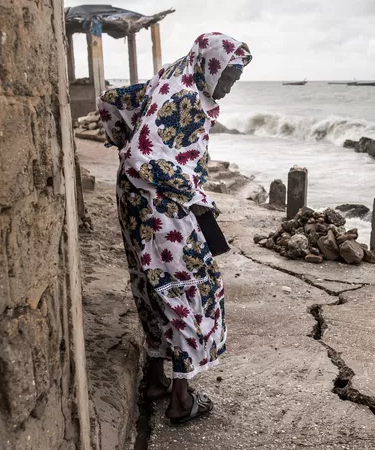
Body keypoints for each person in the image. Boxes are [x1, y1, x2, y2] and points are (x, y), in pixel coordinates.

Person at [97, 32, 252, 424]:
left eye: (236, 78)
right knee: (193, 289)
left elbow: (114, 100)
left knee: (154, 287)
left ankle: (155, 380)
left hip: (137, 203)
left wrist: (118, 133)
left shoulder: (175, 77)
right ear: (211, 65)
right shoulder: (181, 96)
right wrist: (195, 192)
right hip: (160, 206)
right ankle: (181, 400)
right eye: (230, 76)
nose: (231, 86)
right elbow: (138, 157)